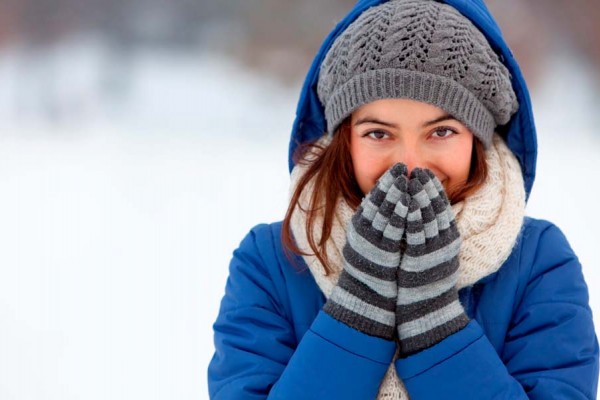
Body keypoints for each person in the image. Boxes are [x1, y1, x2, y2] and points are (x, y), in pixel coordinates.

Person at [208, 0, 599, 398]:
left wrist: (438, 330)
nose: (410, 165)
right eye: (379, 133)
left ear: (478, 139)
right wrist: (357, 315)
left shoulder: (538, 262)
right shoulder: (273, 261)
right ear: (344, 141)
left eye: (441, 132)